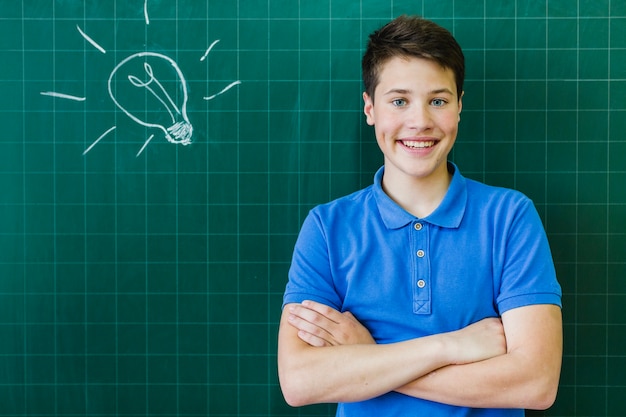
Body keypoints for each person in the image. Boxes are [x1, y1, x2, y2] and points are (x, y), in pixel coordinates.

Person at [277, 15, 562, 416]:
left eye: (438, 101)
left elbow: (536, 383)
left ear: (460, 107)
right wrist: (450, 346)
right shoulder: (327, 228)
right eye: (399, 101)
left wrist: (367, 359)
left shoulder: (510, 217)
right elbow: (300, 381)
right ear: (369, 108)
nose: (420, 121)